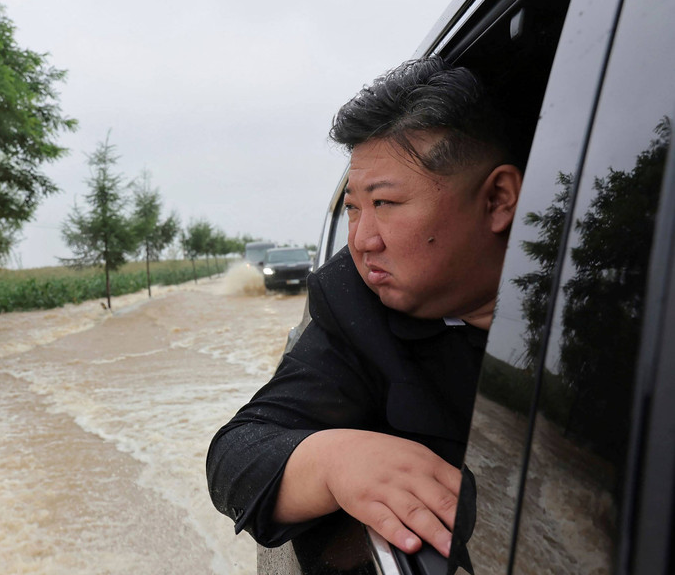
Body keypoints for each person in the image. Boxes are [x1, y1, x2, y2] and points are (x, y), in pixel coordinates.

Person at [206, 56, 523, 559]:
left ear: (498, 200)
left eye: (386, 204)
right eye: (353, 208)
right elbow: (235, 457)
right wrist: (332, 461)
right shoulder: (355, 304)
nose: (360, 240)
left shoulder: (613, 305)